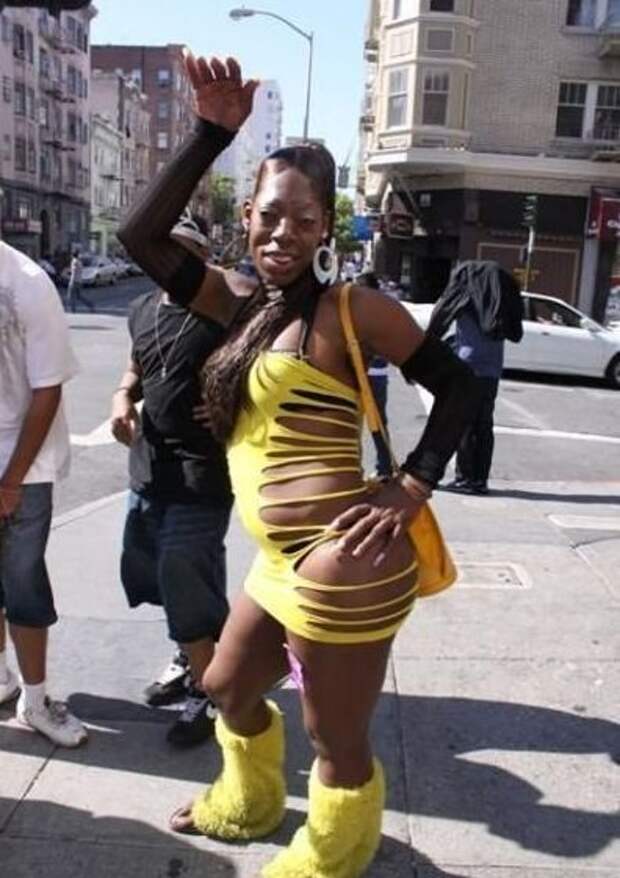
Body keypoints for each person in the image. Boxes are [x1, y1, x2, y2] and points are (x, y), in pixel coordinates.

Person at [118, 52, 477, 878]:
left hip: (345, 561)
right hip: (277, 562)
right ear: (247, 216)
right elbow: (141, 237)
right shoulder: (236, 302)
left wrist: (413, 484)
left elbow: (458, 386)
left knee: (334, 737)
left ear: (326, 229)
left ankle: (333, 855)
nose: (283, 235)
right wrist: (209, 134)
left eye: (304, 221)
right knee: (227, 687)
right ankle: (248, 801)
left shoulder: (354, 310)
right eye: (271, 217)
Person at [110, 211, 233, 747]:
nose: (171, 261)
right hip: (148, 466)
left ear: (203, 256)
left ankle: (211, 692)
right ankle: (193, 655)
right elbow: (136, 367)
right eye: (163, 250)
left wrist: (236, 404)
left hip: (204, 470)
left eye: (183, 251)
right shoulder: (141, 308)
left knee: (182, 567)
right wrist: (122, 397)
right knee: (155, 571)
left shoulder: (224, 308)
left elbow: (269, 368)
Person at [0, 240, 87, 747]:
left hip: (22, 469)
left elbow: (47, 389)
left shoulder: (27, 282)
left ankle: (35, 702)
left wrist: (11, 481)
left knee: (23, 583)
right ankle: (2, 678)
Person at [428, 260, 524, 495]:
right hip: (492, 369)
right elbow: (516, 333)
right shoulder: (499, 300)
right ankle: (479, 479)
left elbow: (440, 319)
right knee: (483, 426)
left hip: (467, 366)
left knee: (464, 425)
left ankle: (466, 479)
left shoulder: (466, 294)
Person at [358, 271, 400, 480]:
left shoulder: (359, 310)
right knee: (378, 423)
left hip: (362, 372)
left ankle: (355, 467)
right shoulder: (384, 309)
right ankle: (384, 467)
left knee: (353, 422)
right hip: (379, 374)